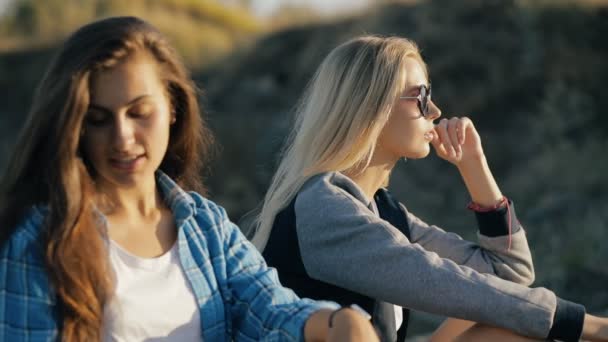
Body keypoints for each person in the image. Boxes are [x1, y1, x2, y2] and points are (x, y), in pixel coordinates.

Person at [0, 17, 379, 341]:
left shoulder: (203, 225)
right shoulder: (40, 244)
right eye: (98, 120)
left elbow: (270, 309)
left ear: (173, 109)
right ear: (75, 126)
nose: (122, 138)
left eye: (139, 112)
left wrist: (337, 323)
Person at [251, 35, 608, 341]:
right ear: (369, 107)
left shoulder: (381, 209)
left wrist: (474, 167)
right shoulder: (323, 208)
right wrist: (587, 325)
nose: (434, 110)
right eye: (420, 97)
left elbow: (508, 275)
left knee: (504, 325)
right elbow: (447, 284)